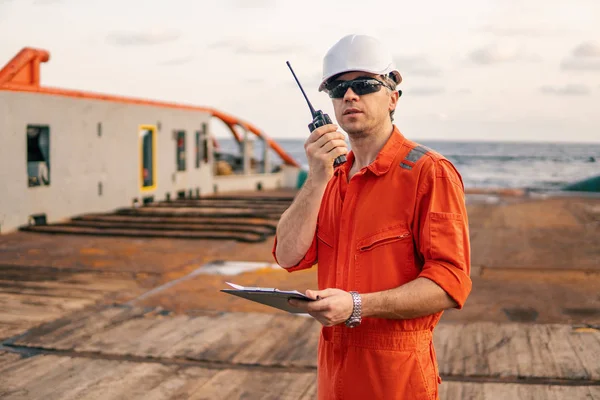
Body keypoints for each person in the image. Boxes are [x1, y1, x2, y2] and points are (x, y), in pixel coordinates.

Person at [272, 33, 472, 400]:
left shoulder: (429, 173)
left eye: (364, 84)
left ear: (393, 96)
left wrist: (358, 305)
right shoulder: (329, 178)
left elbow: (450, 283)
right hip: (333, 372)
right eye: (338, 88)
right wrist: (316, 177)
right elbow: (287, 255)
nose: (350, 95)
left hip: (397, 378)